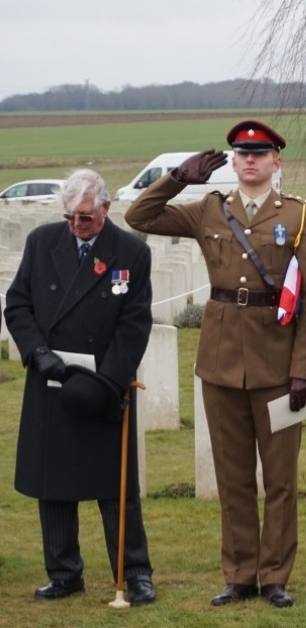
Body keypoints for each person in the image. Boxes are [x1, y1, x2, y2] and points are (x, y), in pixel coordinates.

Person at [125, 120, 306, 608]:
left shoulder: (297, 216)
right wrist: (177, 177)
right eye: (242, 152)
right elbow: (139, 216)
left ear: (276, 161)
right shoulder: (209, 210)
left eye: (260, 152)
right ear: (232, 162)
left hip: (279, 367)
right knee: (232, 479)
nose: (250, 159)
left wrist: (304, 369)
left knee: (279, 480)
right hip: (219, 366)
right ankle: (239, 574)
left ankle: (275, 575)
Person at [4, 169, 156, 605]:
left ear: (106, 209)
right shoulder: (41, 243)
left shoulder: (129, 251)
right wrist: (36, 353)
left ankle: (134, 572)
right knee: (54, 485)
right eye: (69, 216)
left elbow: (134, 323)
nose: (76, 225)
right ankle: (64, 571)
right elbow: (18, 306)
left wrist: (107, 383)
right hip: (51, 381)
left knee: (115, 488)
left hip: (104, 384)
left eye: (85, 217)